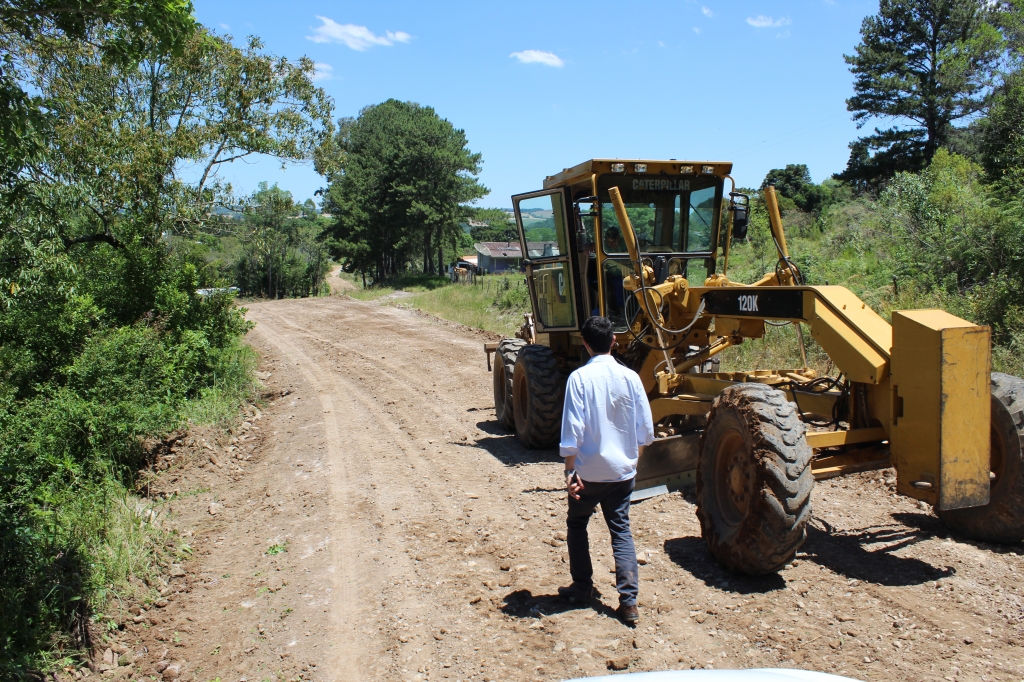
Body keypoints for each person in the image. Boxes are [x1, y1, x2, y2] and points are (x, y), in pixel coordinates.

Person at [557, 315, 655, 626]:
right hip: (622, 474)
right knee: (621, 531)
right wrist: (632, 462)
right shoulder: (631, 378)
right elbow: (646, 431)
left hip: (587, 474)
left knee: (577, 524)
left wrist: (569, 473)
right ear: (613, 342)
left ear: (585, 344)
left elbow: (571, 430)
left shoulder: (579, 379)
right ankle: (629, 602)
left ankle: (582, 587)